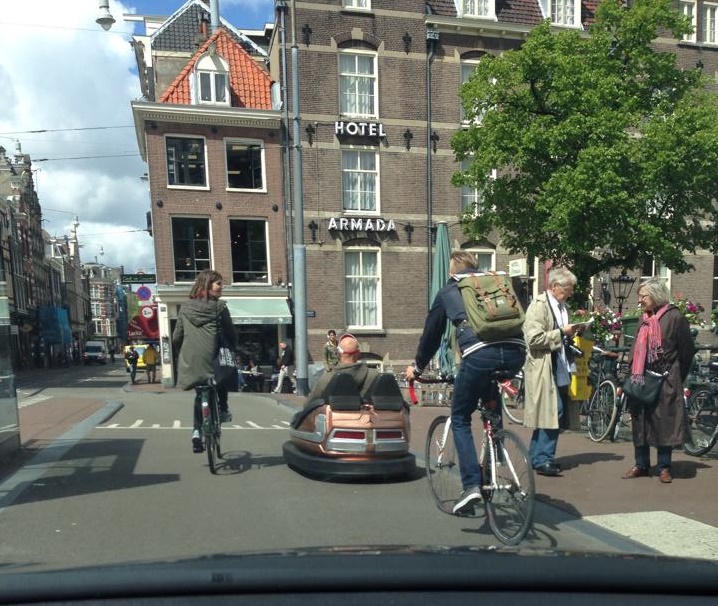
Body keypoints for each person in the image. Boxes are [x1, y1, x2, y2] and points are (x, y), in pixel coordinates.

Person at [405, 251, 525, 515]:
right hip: (517, 352)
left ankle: (471, 485)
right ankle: (497, 456)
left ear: (452, 272)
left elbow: (432, 336)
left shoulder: (450, 290)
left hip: (479, 355)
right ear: (476, 268)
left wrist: (416, 367)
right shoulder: (496, 285)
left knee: (460, 417)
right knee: (490, 403)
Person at [622, 278, 695, 483]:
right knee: (640, 421)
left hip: (665, 378)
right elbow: (635, 347)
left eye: (643, 296)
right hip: (641, 376)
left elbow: (687, 350)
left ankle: (664, 467)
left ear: (656, 295)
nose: (640, 301)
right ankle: (641, 465)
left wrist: (676, 376)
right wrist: (632, 370)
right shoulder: (642, 318)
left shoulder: (675, 317)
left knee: (665, 422)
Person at [523, 266, 586, 477]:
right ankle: (543, 459)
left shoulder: (561, 306)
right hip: (544, 366)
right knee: (553, 411)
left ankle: (535, 456)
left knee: (552, 412)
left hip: (559, 365)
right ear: (555, 286)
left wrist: (575, 330)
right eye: (568, 288)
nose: (571, 292)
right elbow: (533, 338)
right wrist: (561, 333)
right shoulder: (539, 306)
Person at [172, 269, 238, 454]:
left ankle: (195, 432)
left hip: (191, 361)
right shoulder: (220, 307)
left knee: (200, 393)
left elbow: (177, 336)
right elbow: (231, 332)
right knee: (221, 376)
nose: (221, 287)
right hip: (212, 359)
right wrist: (234, 348)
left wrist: (181, 353)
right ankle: (223, 410)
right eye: (219, 284)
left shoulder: (185, 307)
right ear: (208, 285)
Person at [303, 333, 379, 404]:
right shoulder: (374, 376)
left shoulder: (327, 378)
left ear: (338, 354)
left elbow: (309, 405)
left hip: (335, 417)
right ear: (358, 353)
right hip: (364, 417)